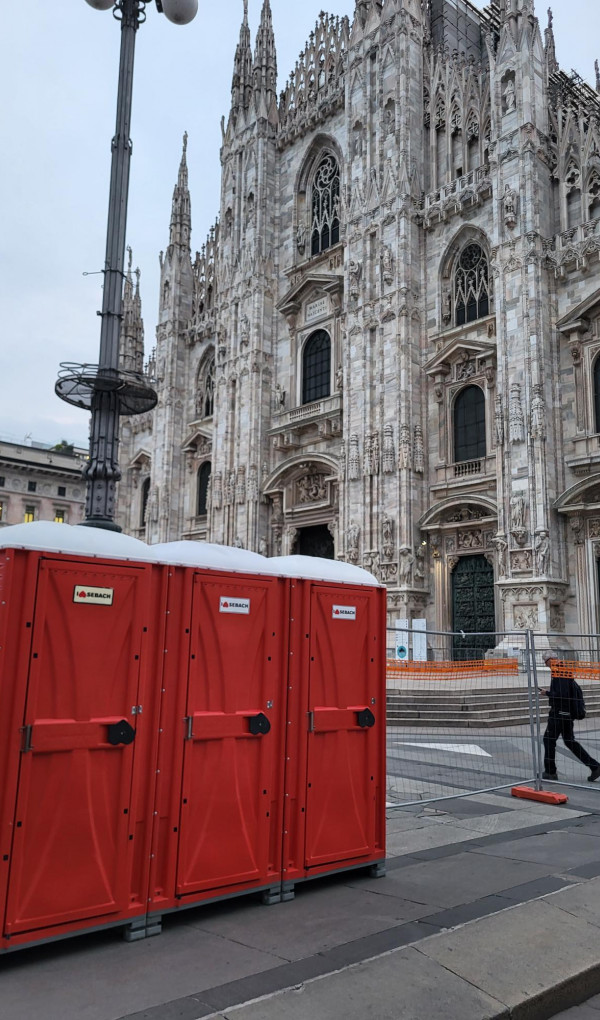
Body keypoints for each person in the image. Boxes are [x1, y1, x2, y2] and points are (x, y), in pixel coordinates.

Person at [541, 650, 600, 782]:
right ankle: (594, 766)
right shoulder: (563, 670)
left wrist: (547, 693)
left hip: (559, 713)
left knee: (548, 740)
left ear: (551, 659)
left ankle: (550, 772)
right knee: (569, 741)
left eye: (546, 662)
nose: (546, 665)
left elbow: (562, 694)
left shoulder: (559, 671)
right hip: (566, 714)